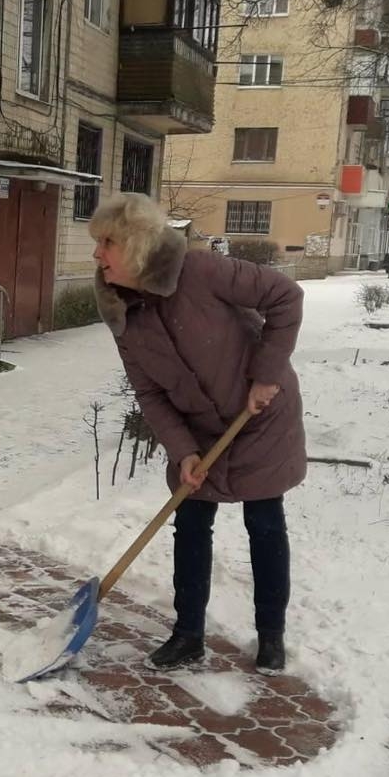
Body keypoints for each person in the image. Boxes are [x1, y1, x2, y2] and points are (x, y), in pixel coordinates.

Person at [88, 193, 305, 674]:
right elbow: (150, 394)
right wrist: (182, 450)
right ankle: (188, 634)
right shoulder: (122, 314)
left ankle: (271, 636)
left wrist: (266, 373)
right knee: (190, 524)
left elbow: (286, 297)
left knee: (264, 522)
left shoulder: (202, 272)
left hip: (260, 414)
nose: (98, 254)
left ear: (139, 246)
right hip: (198, 429)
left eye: (108, 243)